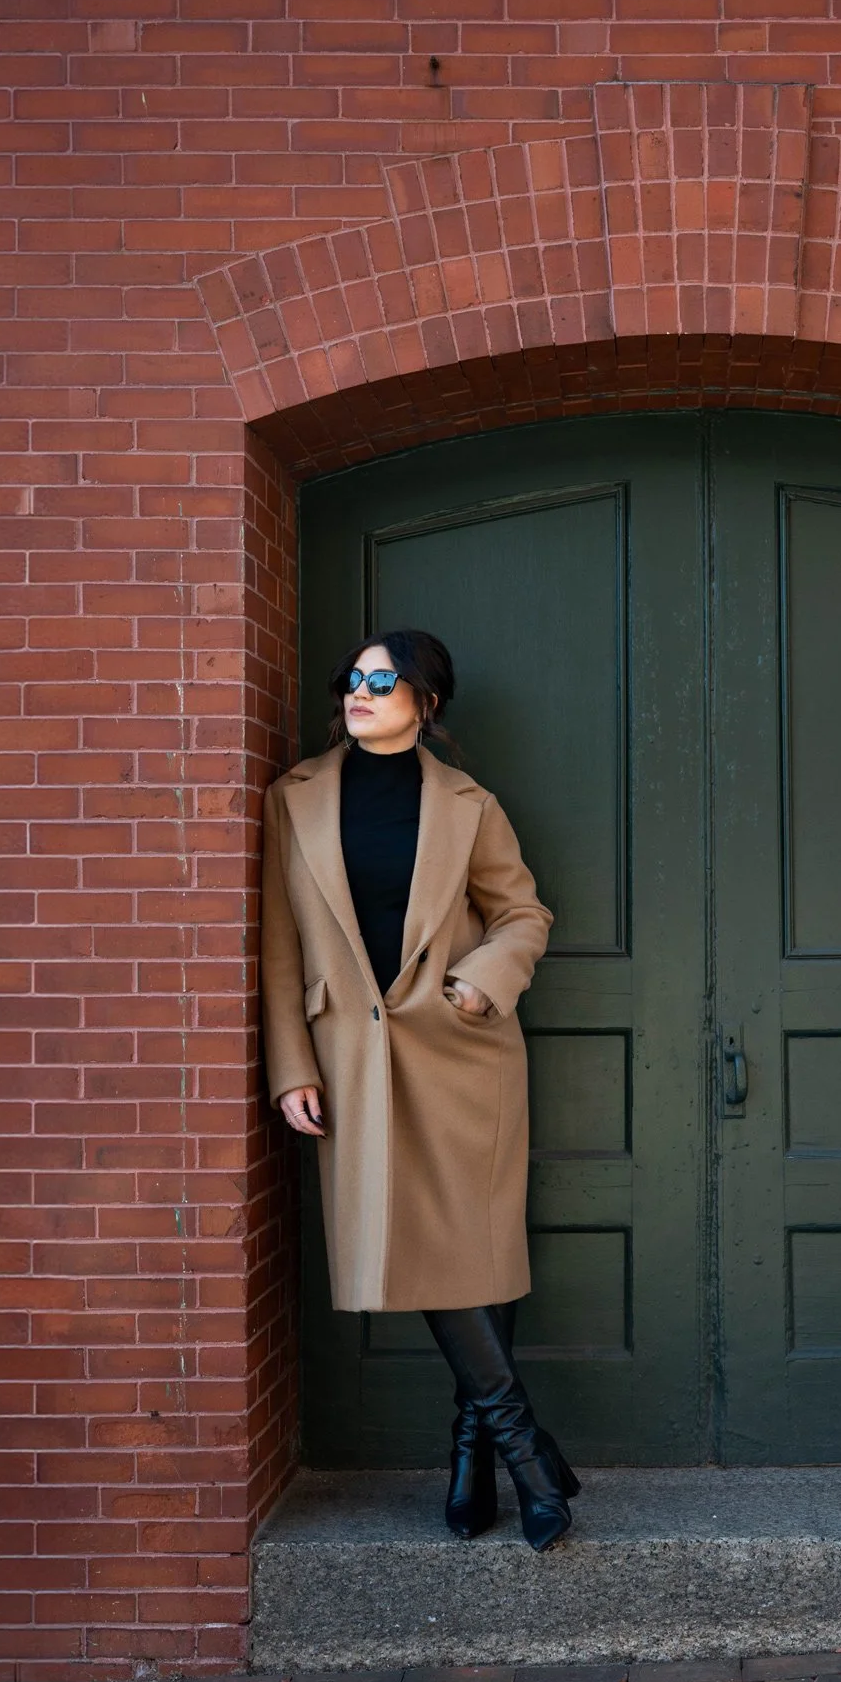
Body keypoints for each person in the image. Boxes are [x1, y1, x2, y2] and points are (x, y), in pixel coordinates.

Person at [259, 627, 577, 1551]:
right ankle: (526, 1458)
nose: (361, 692)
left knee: (475, 1249)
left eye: (383, 680)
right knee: (429, 1254)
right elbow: (279, 946)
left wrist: (483, 979)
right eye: (352, 679)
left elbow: (524, 911)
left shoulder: (471, 807)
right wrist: (291, 1066)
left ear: (425, 703)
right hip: (353, 1063)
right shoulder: (296, 798)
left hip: (465, 1054)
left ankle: (475, 1453)